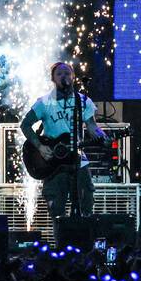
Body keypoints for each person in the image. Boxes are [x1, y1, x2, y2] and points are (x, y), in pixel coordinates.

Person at [19, 61, 107, 221]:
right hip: (54, 160)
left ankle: (83, 240)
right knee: (56, 207)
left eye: (67, 73)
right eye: (59, 73)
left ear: (73, 77)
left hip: (79, 158)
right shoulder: (44, 103)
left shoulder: (83, 101)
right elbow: (25, 125)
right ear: (53, 78)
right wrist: (40, 147)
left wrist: (103, 136)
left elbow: (92, 126)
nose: (64, 76)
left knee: (86, 200)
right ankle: (61, 242)